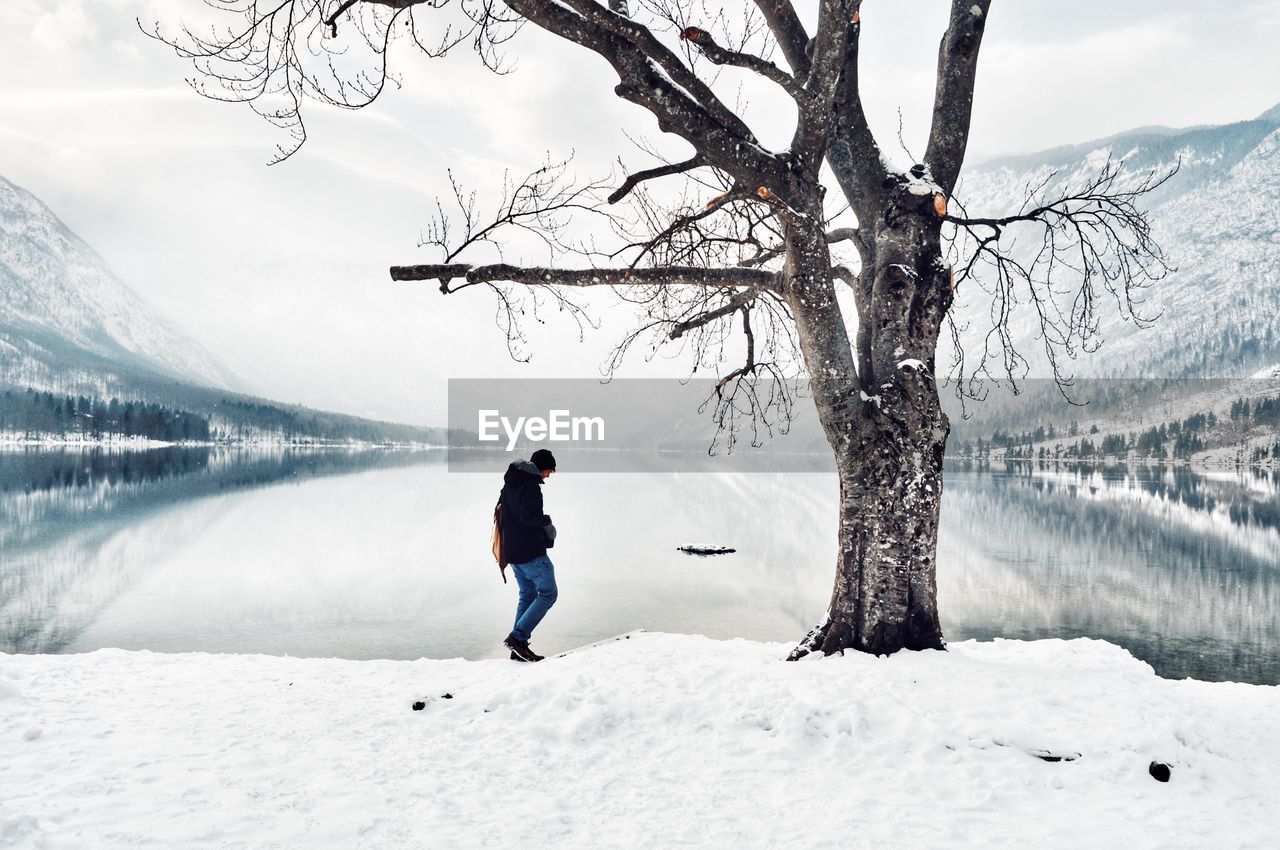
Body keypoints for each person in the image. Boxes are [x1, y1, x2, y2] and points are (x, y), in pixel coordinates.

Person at [499, 448, 558, 662]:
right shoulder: (531, 486)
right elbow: (528, 517)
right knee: (548, 593)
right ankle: (517, 638)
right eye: (549, 471)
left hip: (512, 551)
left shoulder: (510, 483)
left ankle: (518, 646)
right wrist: (547, 523)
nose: (548, 476)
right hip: (530, 551)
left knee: (528, 594)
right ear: (541, 467)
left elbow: (504, 515)